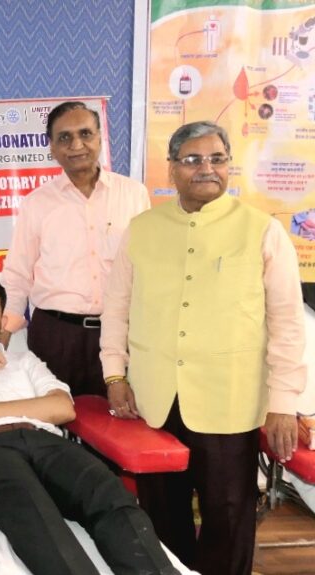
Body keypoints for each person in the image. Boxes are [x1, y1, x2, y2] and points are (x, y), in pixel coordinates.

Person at [100, 121, 306, 574]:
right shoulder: (142, 229)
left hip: (230, 400)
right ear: (172, 168)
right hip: (155, 400)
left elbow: (288, 324)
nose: (206, 168)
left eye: (217, 159)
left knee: (228, 516)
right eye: (192, 159)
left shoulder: (262, 230)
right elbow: (115, 309)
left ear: (229, 166)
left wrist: (283, 403)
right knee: (161, 516)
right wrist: (115, 374)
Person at [0, 271, 177, 575]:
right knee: (35, 512)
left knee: (107, 492)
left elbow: (63, 408)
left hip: (46, 444)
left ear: (2, 321)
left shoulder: (25, 362)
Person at [1, 101, 151, 397]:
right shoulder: (37, 203)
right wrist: (0, 339)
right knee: (53, 418)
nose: (77, 145)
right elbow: (18, 275)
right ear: (52, 148)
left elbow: (148, 268)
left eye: (85, 133)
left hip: (120, 333)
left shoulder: (133, 195)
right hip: (56, 335)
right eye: (65, 137)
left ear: (100, 138)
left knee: (119, 419)